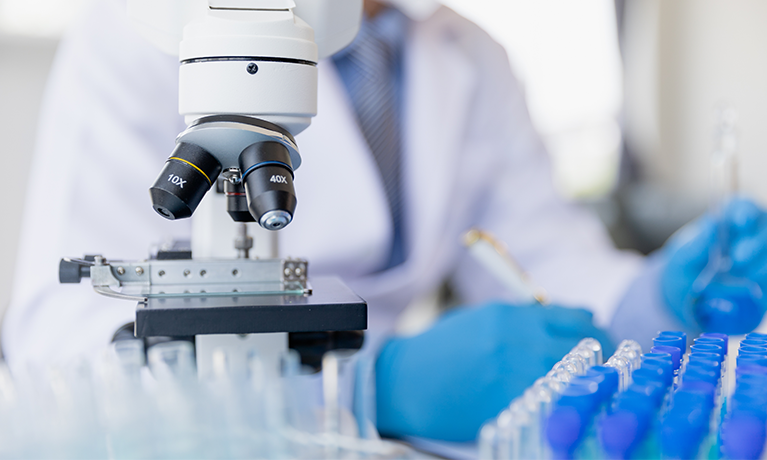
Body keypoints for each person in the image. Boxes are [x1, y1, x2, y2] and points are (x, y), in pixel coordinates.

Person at [4, 0, 767, 443]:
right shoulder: (143, 32)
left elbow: (535, 257)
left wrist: (652, 295)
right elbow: (58, 334)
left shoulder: (469, 54)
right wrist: (365, 385)